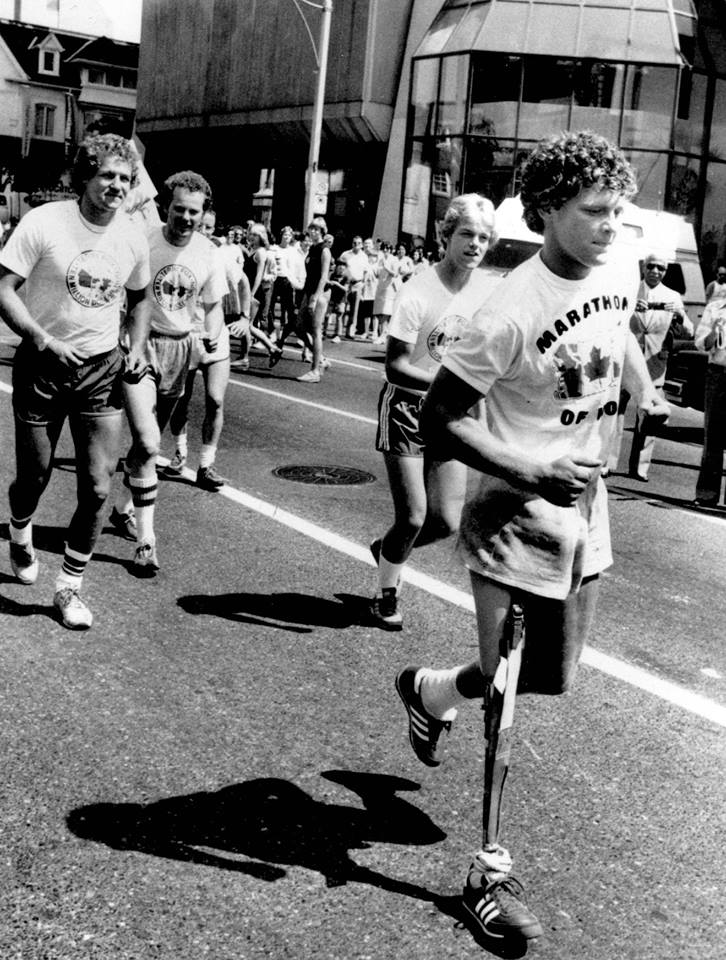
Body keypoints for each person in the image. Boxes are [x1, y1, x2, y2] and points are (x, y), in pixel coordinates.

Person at [394, 131, 669, 943]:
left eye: (617, 210)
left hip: (584, 508)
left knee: (548, 677)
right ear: (547, 210)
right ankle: (489, 872)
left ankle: (433, 690)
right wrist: (524, 466)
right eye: (592, 211)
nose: (610, 225)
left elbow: (616, 333)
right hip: (515, 514)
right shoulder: (507, 308)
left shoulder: (616, 270)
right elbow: (438, 418)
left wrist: (644, 389)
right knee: (510, 697)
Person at [0, 133, 150, 629]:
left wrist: (137, 343)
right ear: (83, 176)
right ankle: (20, 533)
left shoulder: (131, 234)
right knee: (34, 477)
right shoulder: (45, 222)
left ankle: (69, 588)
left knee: (98, 486)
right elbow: (3, 288)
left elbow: (142, 294)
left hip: (101, 370)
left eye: (125, 179)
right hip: (43, 365)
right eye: (107, 175)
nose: (116, 186)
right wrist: (41, 339)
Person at [369, 194, 499, 631]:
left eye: (483, 237)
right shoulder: (418, 290)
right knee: (412, 517)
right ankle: (386, 592)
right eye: (466, 234)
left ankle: (388, 549)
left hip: (448, 414)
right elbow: (396, 365)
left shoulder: (488, 292)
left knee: (444, 523)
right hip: (406, 407)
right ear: (446, 235)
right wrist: (449, 383)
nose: (475, 244)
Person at [110, 170, 226, 574]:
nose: (186, 218)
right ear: (168, 207)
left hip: (180, 348)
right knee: (147, 441)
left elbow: (212, 305)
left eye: (194, 212)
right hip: (143, 345)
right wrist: (128, 339)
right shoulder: (146, 241)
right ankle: (146, 542)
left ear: (203, 213)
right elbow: (121, 292)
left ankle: (123, 508)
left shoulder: (208, 252)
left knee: (148, 442)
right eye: (179, 209)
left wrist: (210, 334)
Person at [164, 207, 247, 489]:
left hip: (214, 335)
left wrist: (245, 318)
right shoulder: (180, 254)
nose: (204, 232)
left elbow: (244, 284)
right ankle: (179, 453)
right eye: (202, 226)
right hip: (185, 335)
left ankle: (206, 465)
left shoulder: (219, 255)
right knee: (180, 399)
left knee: (215, 399)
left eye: (210, 228)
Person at [606, 253, 691, 480]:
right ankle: (608, 461)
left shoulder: (672, 296)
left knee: (650, 414)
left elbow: (689, 332)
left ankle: (640, 467)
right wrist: (632, 309)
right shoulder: (629, 290)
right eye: (651, 266)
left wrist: (680, 315)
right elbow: (610, 321)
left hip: (655, 362)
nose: (655, 271)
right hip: (626, 360)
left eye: (661, 268)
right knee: (616, 410)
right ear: (643, 268)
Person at [287, 217, 331, 383]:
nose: (312, 231)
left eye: (316, 229)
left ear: (322, 231)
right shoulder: (312, 248)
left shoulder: (324, 250)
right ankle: (321, 359)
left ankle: (315, 371)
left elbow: (324, 277)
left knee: (315, 331)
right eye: (311, 228)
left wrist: (315, 298)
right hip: (308, 290)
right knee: (298, 326)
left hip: (319, 294)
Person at [693, 295, 726, 506]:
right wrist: (714, 332)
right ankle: (707, 494)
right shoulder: (715, 308)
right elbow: (700, 343)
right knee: (712, 435)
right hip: (718, 373)